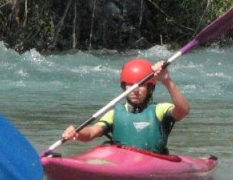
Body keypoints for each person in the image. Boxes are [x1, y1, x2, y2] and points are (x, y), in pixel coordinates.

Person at [59, 58, 189, 153]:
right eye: (130, 85)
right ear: (124, 86)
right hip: (121, 161)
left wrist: (167, 80)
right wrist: (76, 132)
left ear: (150, 88)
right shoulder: (115, 113)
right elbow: (91, 133)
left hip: (153, 161)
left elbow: (183, 111)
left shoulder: (159, 110)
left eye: (141, 85)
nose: (135, 90)